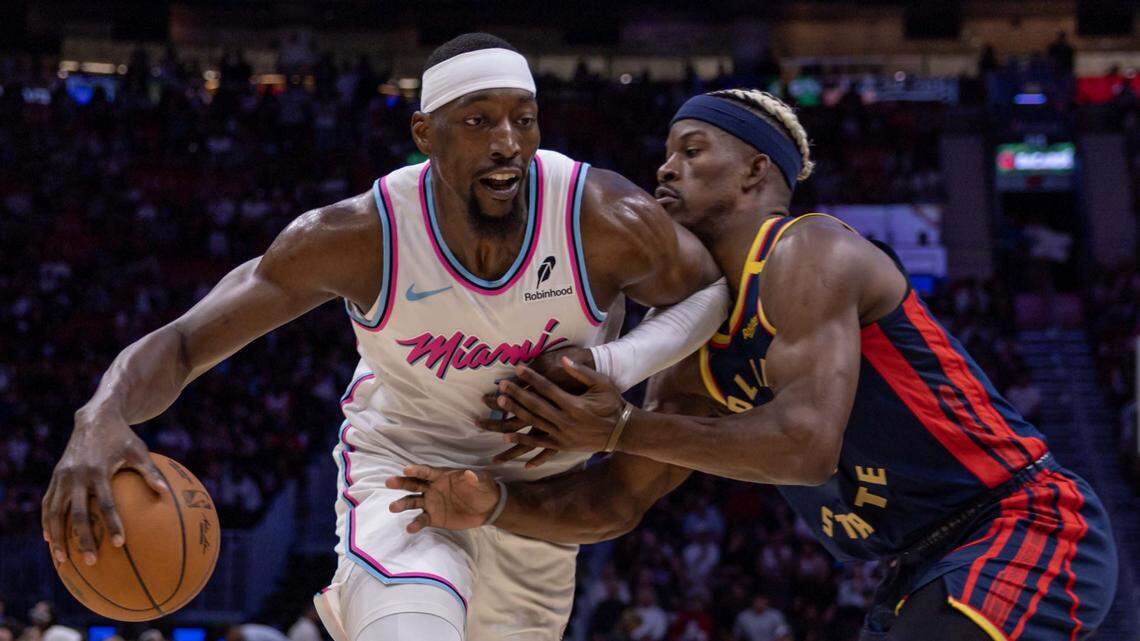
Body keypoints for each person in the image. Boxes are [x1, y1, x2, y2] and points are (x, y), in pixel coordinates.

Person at [41, 33, 728, 641]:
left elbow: (710, 292)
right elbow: (189, 340)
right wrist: (99, 414)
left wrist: (612, 362)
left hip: (538, 497)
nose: (508, 143)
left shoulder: (599, 215)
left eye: (523, 119)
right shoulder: (357, 236)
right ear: (426, 133)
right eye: (479, 120)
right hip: (404, 473)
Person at [387, 88, 1119, 640]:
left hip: (1019, 523)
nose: (665, 167)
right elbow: (614, 500)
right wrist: (497, 505)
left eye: (692, 149)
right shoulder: (695, 340)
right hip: (912, 566)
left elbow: (803, 448)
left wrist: (618, 427)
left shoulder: (810, 249)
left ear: (754, 171)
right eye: (668, 151)